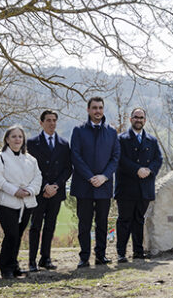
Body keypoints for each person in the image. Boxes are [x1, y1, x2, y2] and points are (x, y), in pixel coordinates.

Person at [70, 97, 120, 268]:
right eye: (94, 108)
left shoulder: (112, 132)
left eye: (100, 108)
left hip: (104, 186)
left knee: (102, 222)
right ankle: (84, 257)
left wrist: (104, 176)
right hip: (84, 185)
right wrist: (90, 176)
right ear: (88, 110)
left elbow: (115, 158)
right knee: (84, 223)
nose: (97, 111)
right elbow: (75, 156)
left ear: (103, 109)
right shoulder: (78, 130)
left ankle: (101, 255)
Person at [0, 126, 42, 279]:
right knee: (11, 234)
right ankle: (5, 268)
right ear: (7, 139)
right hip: (7, 203)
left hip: (27, 203)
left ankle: (14, 265)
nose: (17, 139)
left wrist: (29, 191)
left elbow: (38, 178)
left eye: (20, 136)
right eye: (14, 136)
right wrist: (14, 191)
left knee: (18, 236)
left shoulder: (31, 159)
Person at [115, 108, 163, 263]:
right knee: (124, 220)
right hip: (126, 188)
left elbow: (158, 159)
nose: (138, 120)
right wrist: (137, 169)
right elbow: (119, 159)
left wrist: (149, 170)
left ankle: (138, 251)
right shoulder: (121, 139)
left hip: (145, 187)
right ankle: (121, 253)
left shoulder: (152, 140)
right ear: (130, 119)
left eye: (141, 118)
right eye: (136, 117)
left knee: (139, 220)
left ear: (145, 120)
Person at [27, 110, 72, 271]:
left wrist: (56, 185)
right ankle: (31, 260)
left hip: (56, 191)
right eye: (48, 120)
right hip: (39, 191)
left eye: (54, 120)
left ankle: (45, 258)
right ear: (41, 123)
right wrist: (45, 186)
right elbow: (31, 168)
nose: (52, 123)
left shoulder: (63, 143)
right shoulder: (32, 143)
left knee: (50, 225)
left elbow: (68, 168)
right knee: (35, 226)